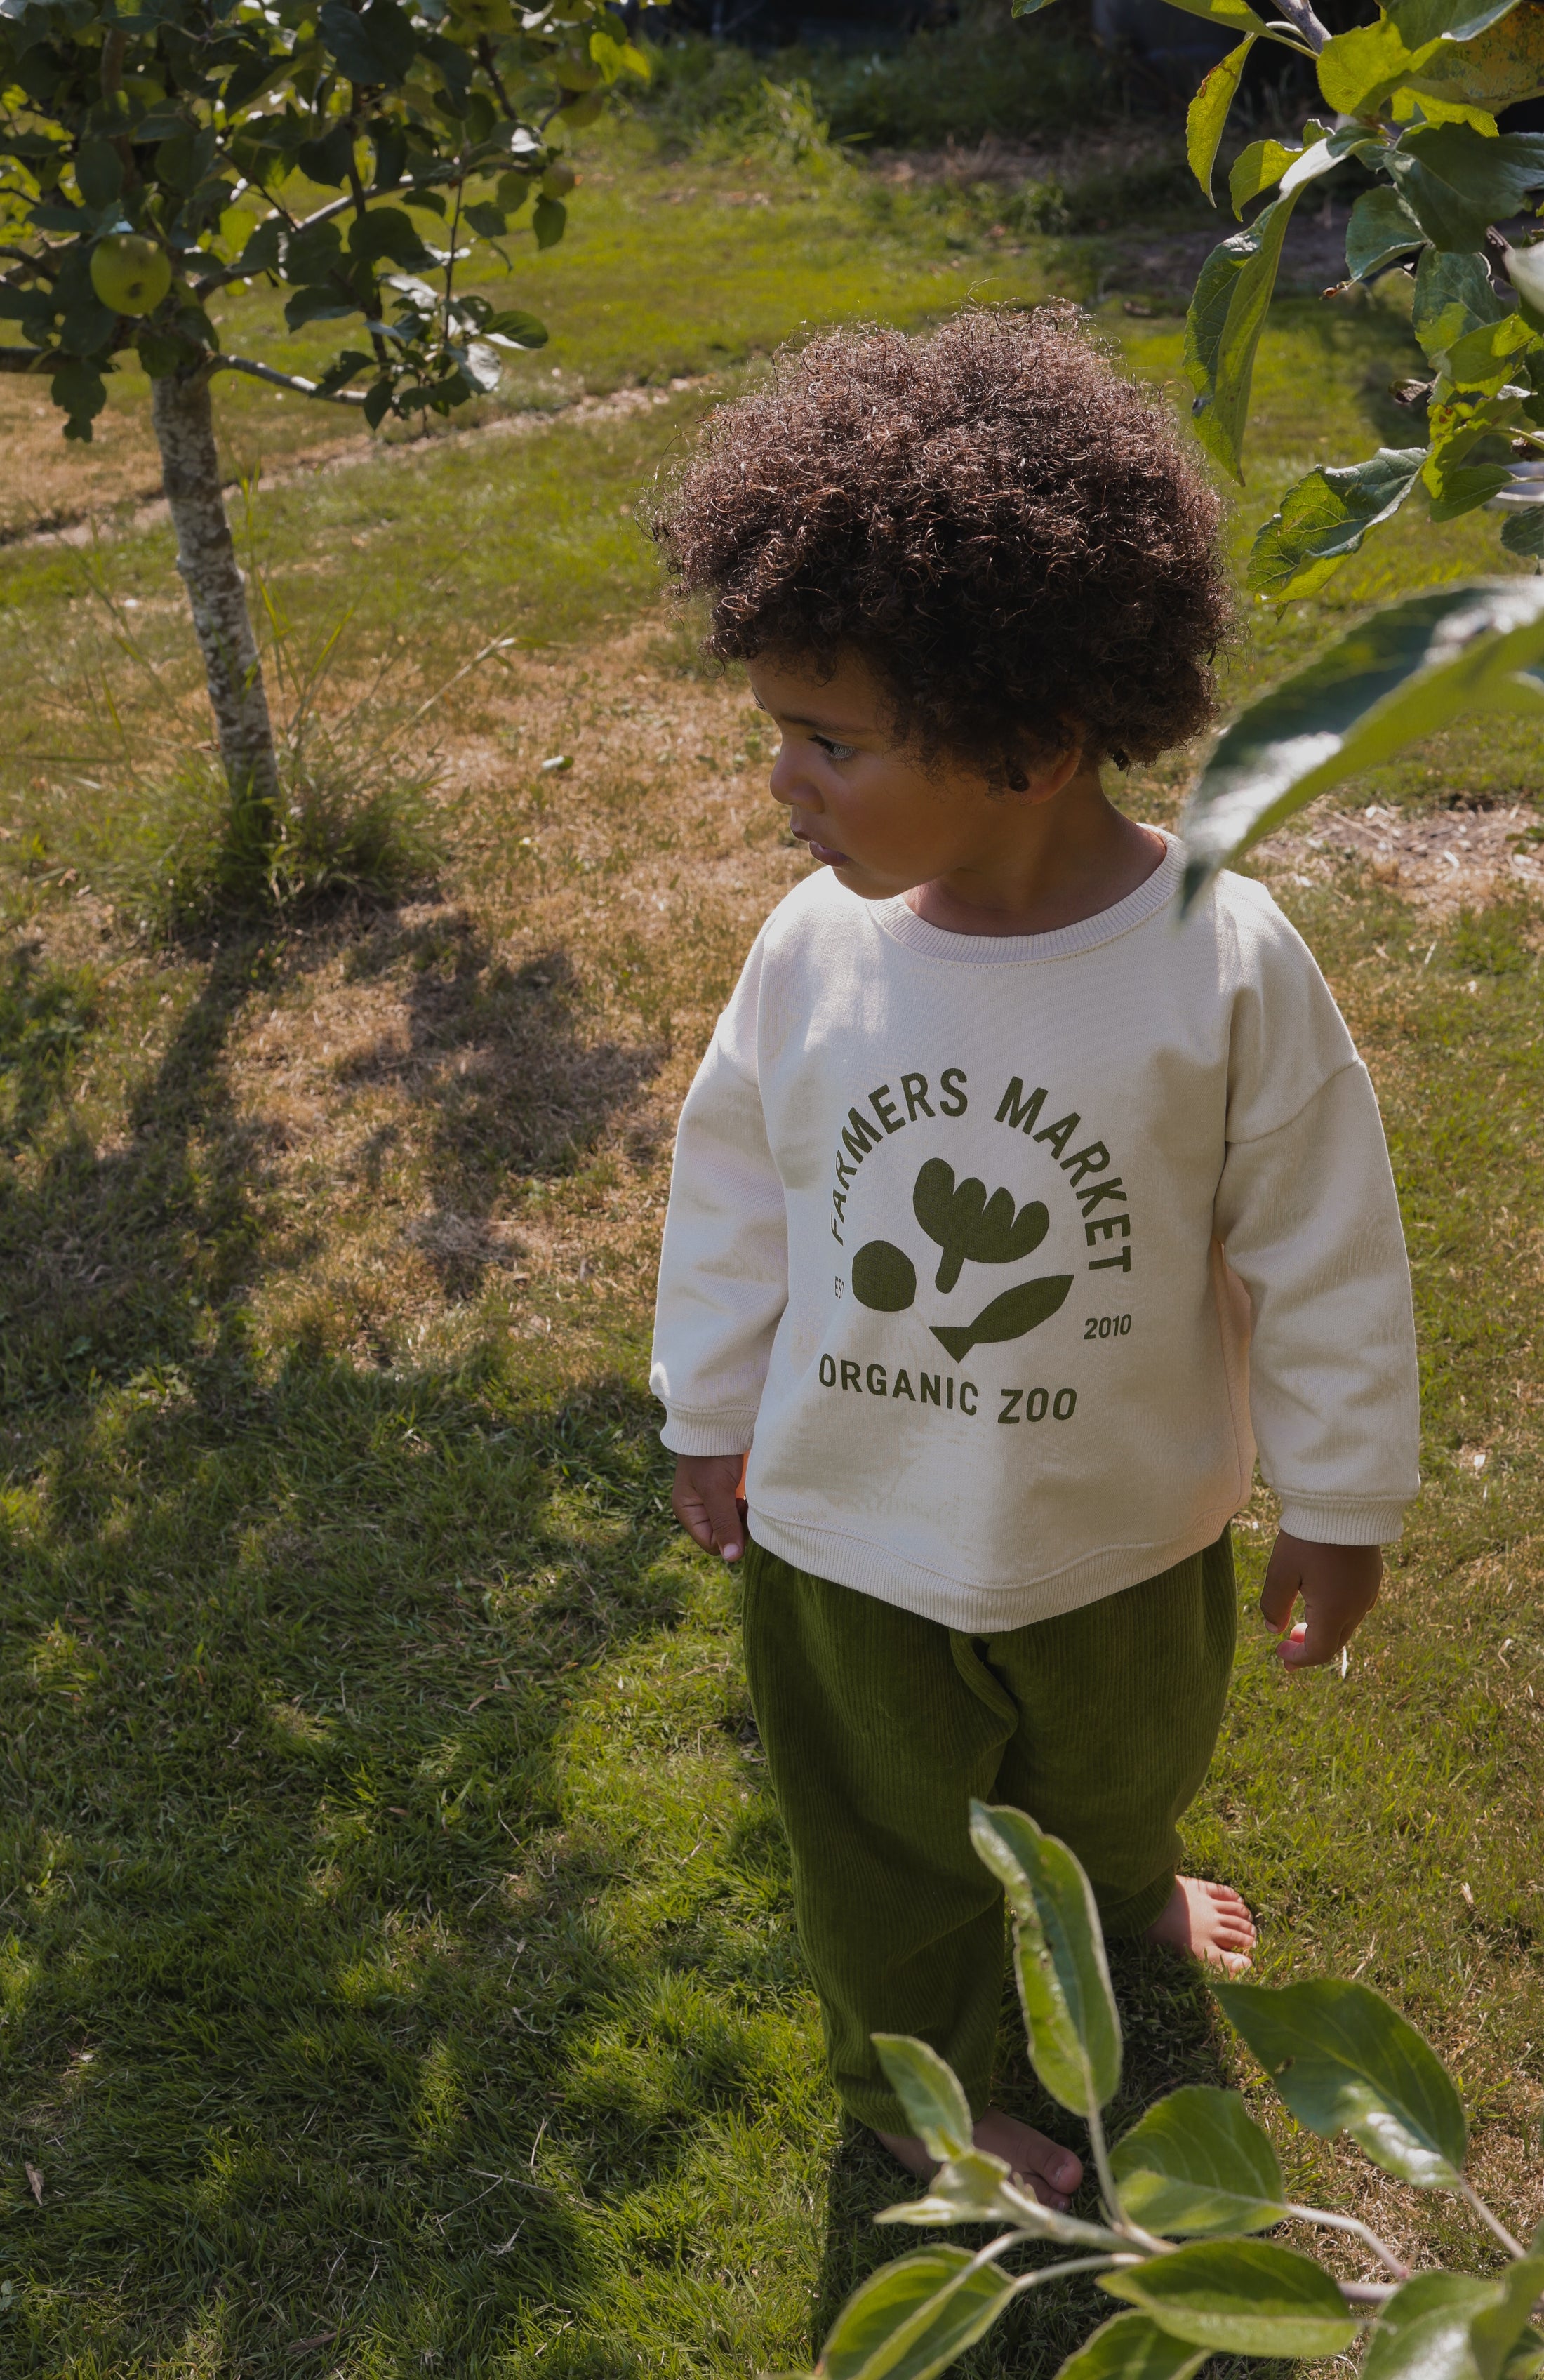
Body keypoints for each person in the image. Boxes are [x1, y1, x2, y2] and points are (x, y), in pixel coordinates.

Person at [645, 310, 1420, 2212]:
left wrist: (1342, 1504)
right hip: (852, 1529)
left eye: (832, 742)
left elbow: (1323, 1252)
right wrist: (707, 1408)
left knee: (1120, 1770)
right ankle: (918, 2088)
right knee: (886, 1851)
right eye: (781, 734)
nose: (785, 781)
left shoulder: (1222, 962)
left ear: (1033, 741)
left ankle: (1122, 1885)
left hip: (1125, 1524)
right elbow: (735, 1186)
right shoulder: (812, 955)